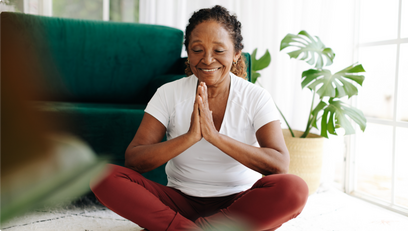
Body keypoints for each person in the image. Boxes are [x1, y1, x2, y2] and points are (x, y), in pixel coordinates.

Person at [91, 5, 308, 231]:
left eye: (219, 50)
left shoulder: (256, 97)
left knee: (294, 188)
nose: (207, 59)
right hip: (178, 202)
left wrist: (214, 137)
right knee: (102, 176)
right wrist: (190, 137)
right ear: (188, 52)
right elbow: (134, 160)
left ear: (236, 54)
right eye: (197, 49)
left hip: (238, 204)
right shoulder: (169, 93)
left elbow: (279, 165)